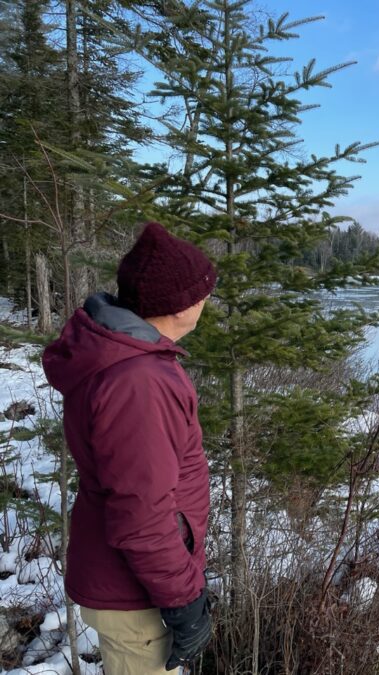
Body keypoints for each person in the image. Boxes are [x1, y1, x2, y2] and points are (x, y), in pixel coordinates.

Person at [43, 221, 216, 674]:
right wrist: (183, 599)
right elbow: (141, 513)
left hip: (135, 582)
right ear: (177, 305)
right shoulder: (138, 382)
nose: (206, 301)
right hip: (135, 593)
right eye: (201, 293)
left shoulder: (132, 361)